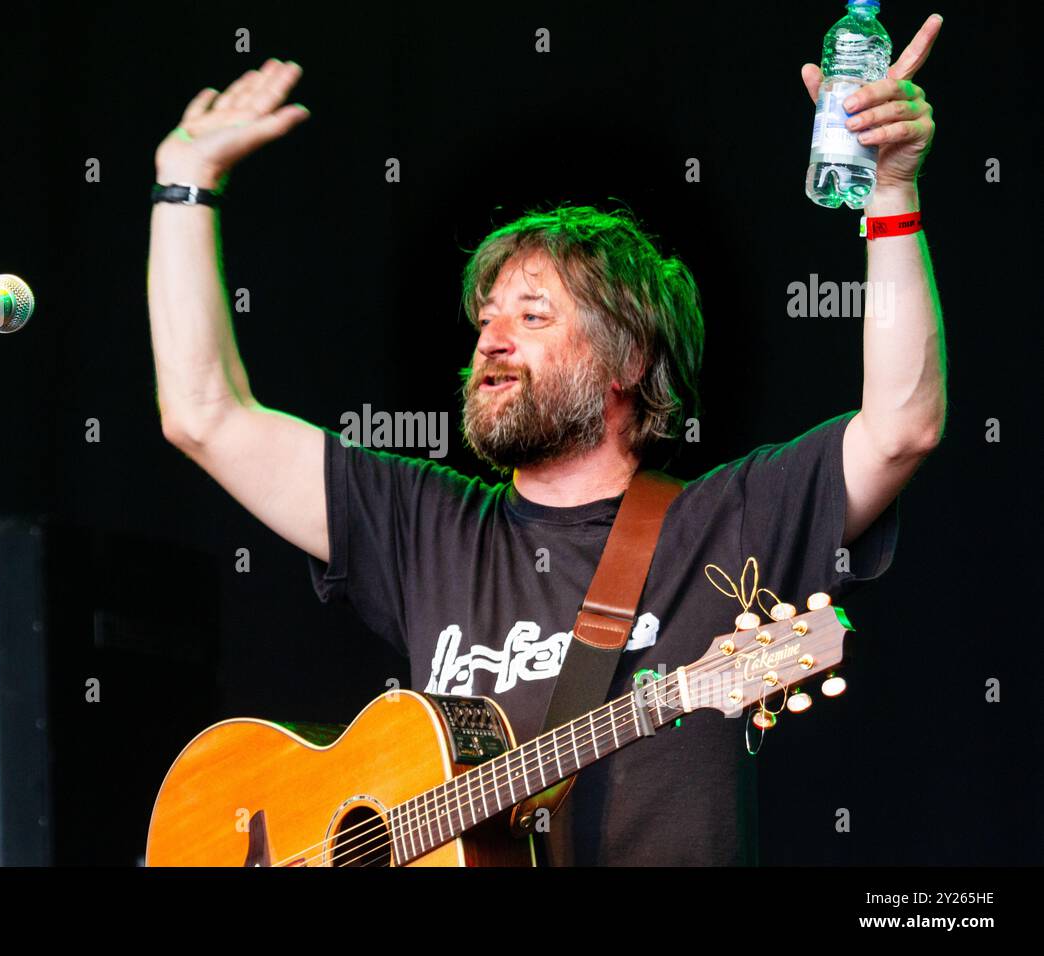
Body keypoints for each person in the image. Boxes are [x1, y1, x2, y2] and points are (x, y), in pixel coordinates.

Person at [146, 17, 945, 865]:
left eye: (533, 318)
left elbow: (902, 425)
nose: (491, 340)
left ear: (628, 360)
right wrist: (183, 185)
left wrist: (890, 196)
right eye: (486, 319)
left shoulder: (730, 522)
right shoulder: (424, 524)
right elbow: (203, 413)